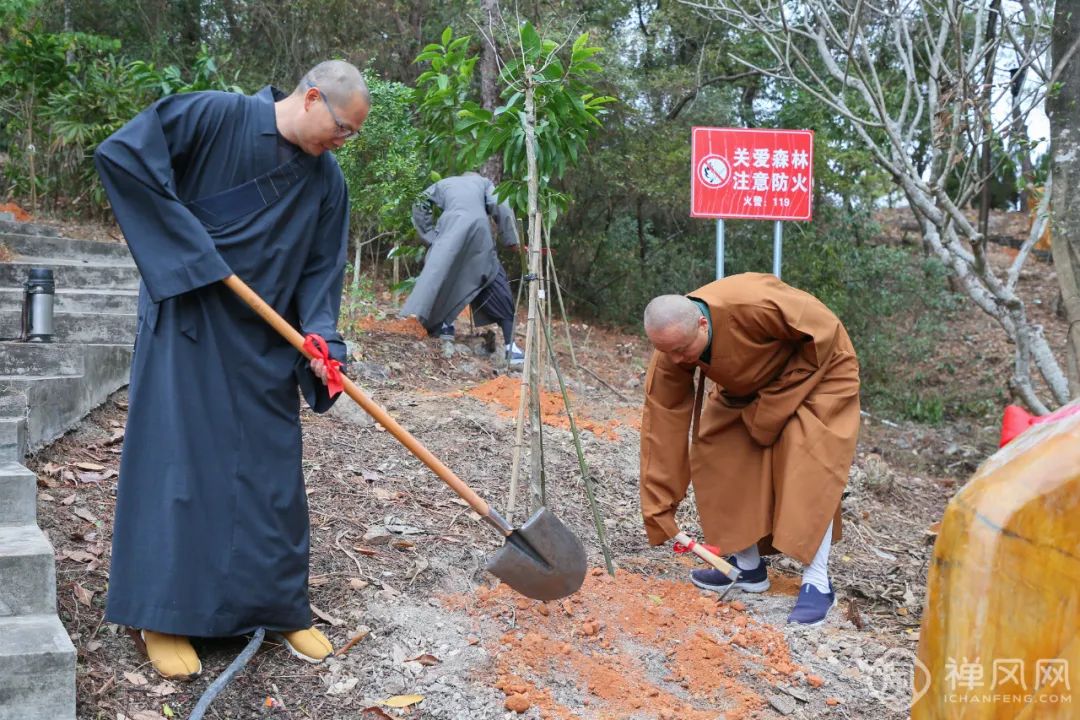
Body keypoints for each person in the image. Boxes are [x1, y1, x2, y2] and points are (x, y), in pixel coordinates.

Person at [94, 60, 370, 679]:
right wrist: (193, 255)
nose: (343, 141)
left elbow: (322, 273)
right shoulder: (212, 115)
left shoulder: (328, 184)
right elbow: (124, 158)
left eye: (352, 134)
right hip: (190, 322)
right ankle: (163, 614)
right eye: (343, 128)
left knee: (272, 475)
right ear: (312, 97)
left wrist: (322, 341)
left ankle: (276, 606)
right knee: (181, 468)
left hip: (266, 340)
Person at [639, 273, 860, 625]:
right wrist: (659, 506)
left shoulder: (752, 303)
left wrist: (781, 399)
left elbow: (825, 333)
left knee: (809, 462)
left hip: (819, 373)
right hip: (749, 385)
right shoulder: (672, 348)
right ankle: (748, 568)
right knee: (717, 451)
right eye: (668, 352)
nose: (679, 361)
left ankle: (817, 583)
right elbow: (661, 424)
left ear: (701, 323)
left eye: (683, 350)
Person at [400, 172, 524, 365]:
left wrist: (430, 236)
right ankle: (511, 348)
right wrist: (511, 240)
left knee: (444, 278)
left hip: (449, 232)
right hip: (478, 231)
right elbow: (501, 204)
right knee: (491, 275)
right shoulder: (483, 182)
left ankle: (444, 326)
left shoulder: (443, 183)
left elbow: (420, 201)